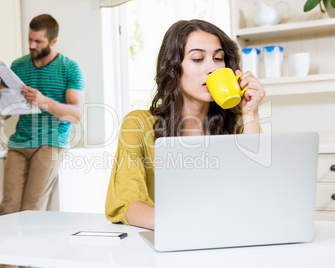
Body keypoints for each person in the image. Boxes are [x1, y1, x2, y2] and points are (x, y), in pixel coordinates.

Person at [105, 19, 265, 230]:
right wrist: (188, 225)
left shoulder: (239, 123)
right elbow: (126, 203)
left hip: (230, 234)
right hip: (170, 237)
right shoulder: (138, 124)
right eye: (198, 58)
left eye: (219, 58)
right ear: (173, 68)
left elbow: (257, 189)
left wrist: (250, 114)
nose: (213, 68)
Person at [0, 14, 85, 217]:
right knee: (8, 209)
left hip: (50, 142)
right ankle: (7, 249)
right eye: (29, 39)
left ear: (53, 41)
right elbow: (5, 114)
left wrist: (43, 102)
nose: (31, 45)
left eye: (38, 41)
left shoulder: (69, 68)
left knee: (31, 210)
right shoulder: (18, 66)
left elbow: (76, 115)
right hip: (19, 144)